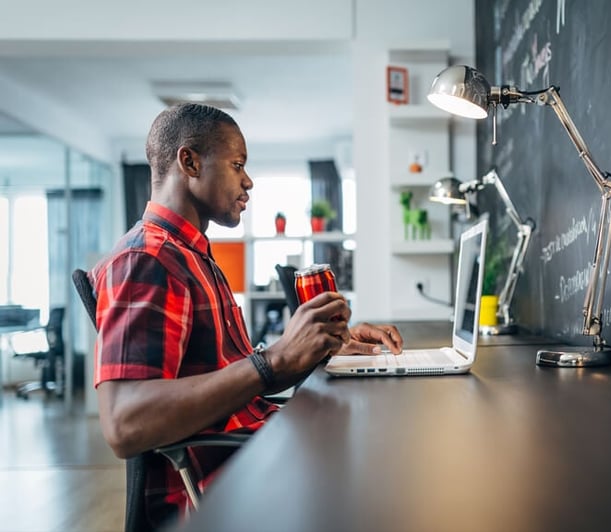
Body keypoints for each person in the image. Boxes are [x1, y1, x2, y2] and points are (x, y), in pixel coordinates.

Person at [88, 102, 404, 527]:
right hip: (225, 485)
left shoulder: (191, 254)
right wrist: (272, 360)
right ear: (190, 161)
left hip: (253, 452)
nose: (248, 180)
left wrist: (317, 346)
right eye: (237, 165)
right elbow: (125, 423)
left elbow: (240, 375)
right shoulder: (148, 260)